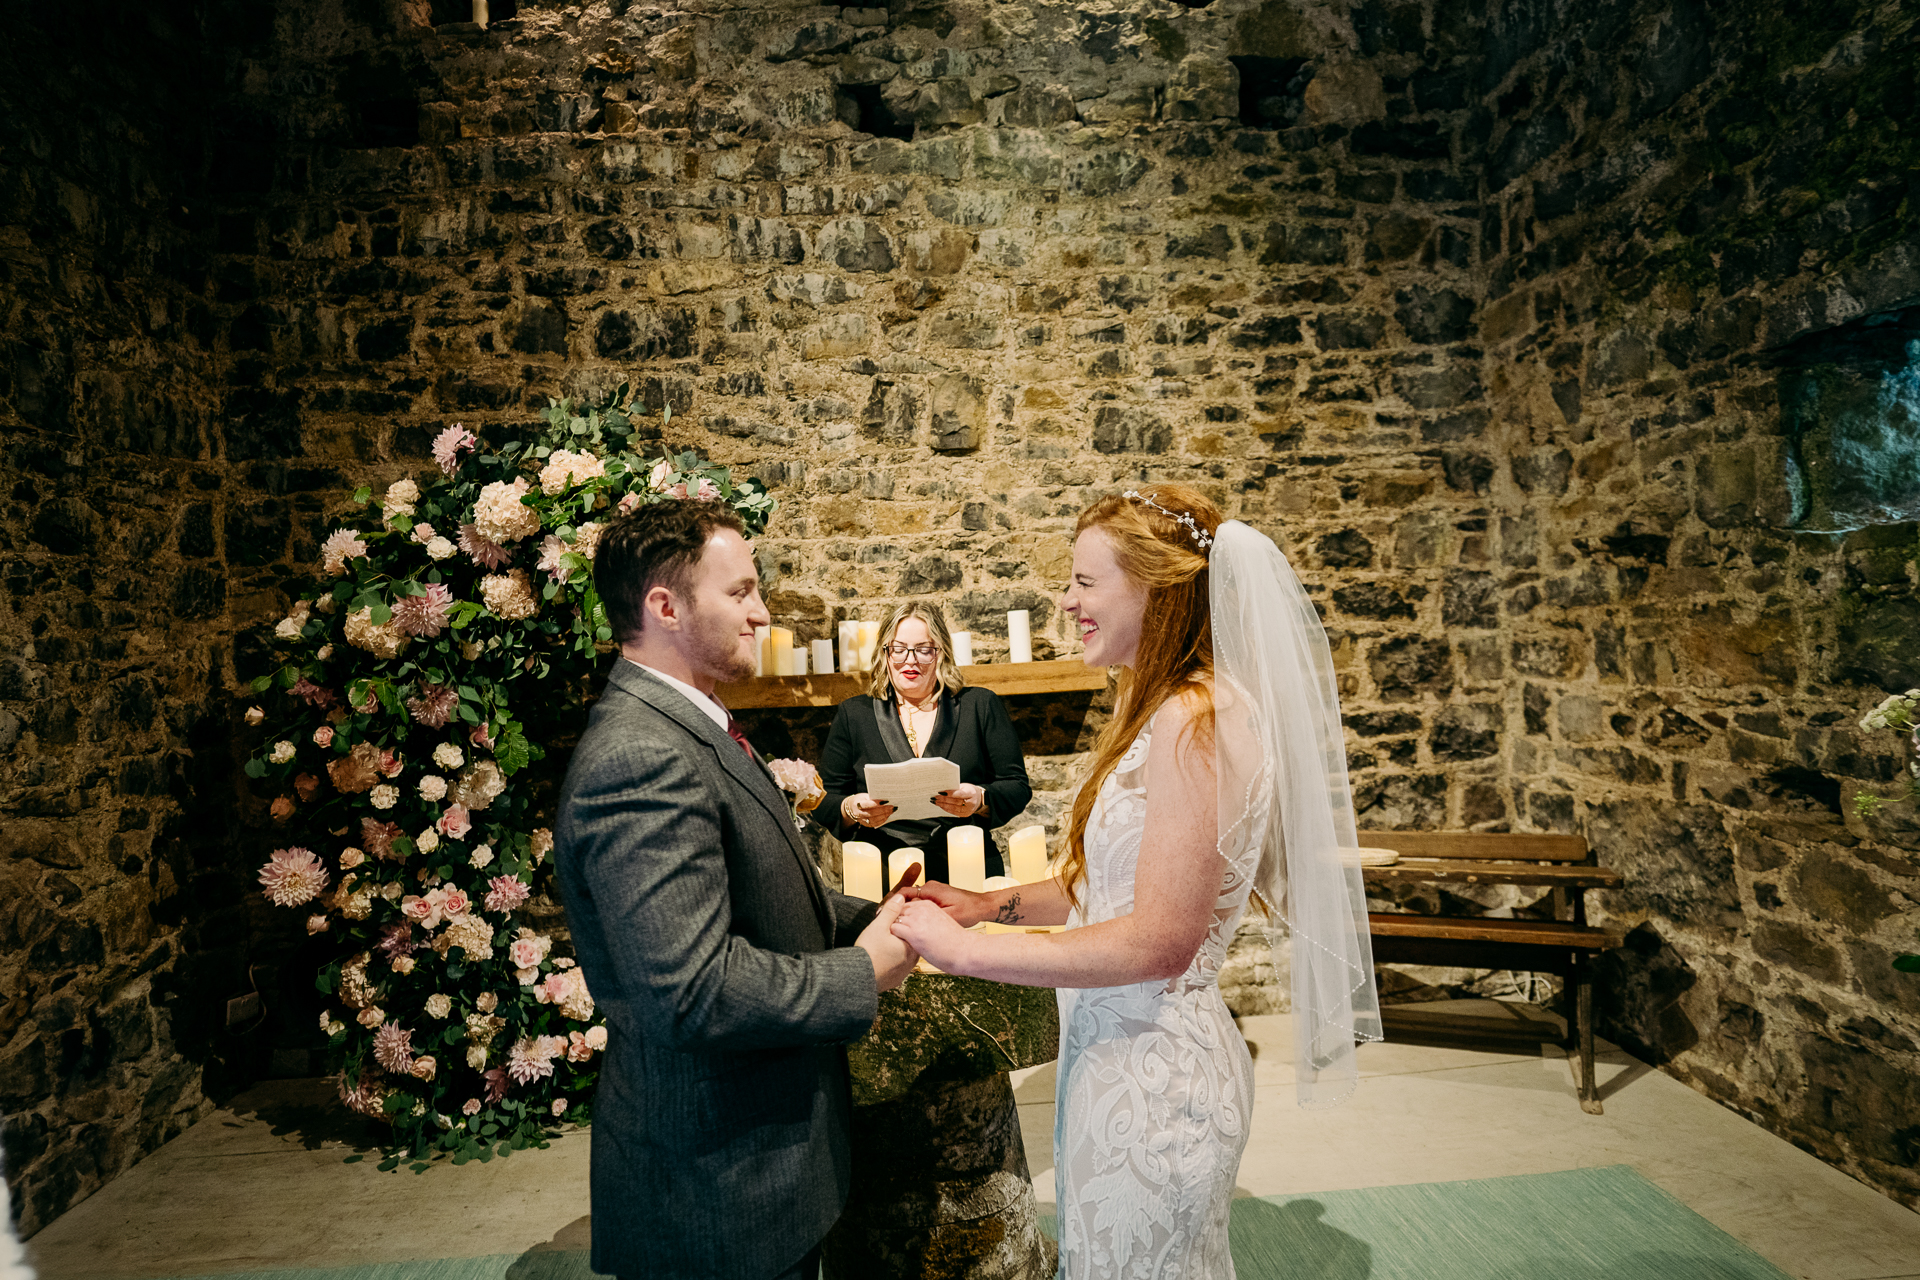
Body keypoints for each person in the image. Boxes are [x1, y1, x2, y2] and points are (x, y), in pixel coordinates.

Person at [892, 485, 1381, 1278]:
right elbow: (1106, 885)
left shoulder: (1197, 720)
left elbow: (1158, 940)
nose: (1067, 600)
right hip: (1119, 1058)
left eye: (1086, 582)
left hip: (1159, 1078)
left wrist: (964, 951)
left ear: (1156, 589)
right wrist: (986, 905)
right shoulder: (1162, 711)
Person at [553, 500, 919, 1280]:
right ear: (665, 606)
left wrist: (877, 916)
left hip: (763, 1167)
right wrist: (866, 970)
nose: (762, 613)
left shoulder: (693, 724)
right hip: (716, 1188)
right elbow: (691, 989)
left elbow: (755, 897)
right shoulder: (638, 756)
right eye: (741, 592)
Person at [816, 602, 1033, 883]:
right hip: (882, 871)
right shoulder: (854, 714)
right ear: (885, 653)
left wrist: (981, 799)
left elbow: (1016, 785)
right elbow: (824, 799)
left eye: (923, 649)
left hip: (966, 866)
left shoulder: (979, 705)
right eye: (899, 648)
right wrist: (851, 809)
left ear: (940, 653)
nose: (910, 660)